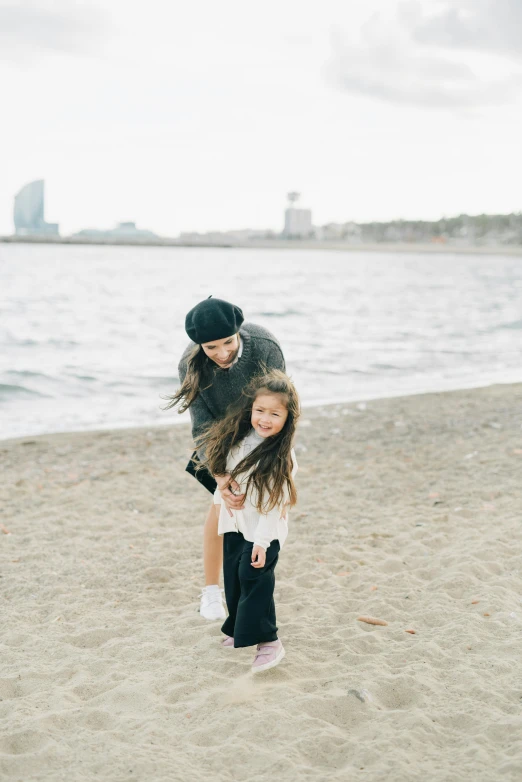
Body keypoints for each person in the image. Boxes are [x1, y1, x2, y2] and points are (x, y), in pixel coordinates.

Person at [166, 296, 285, 620]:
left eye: (227, 343)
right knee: (220, 508)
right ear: (198, 346)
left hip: (261, 433)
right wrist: (219, 472)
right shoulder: (189, 365)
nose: (221, 353)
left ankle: (247, 590)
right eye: (211, 347)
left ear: (238, 332)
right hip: (217, 441)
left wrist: (268, 458)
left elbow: (279, 403)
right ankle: (211, 593)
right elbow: (201, 423)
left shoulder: (264, 346)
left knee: (261, 512)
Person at [197, 369, 299, 673]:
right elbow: (224, 484)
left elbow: (275, 504)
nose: (265, 419)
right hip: (236, 526)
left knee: (254, 578)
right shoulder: (237, 442)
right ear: (250, 410)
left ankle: (270, 642)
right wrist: (221, 506)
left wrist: (263, 542)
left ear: (287, 418)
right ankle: (237, 629)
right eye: (260, 411)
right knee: (235, 578)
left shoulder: (283, 456)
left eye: (274, 414)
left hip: (264, 532)